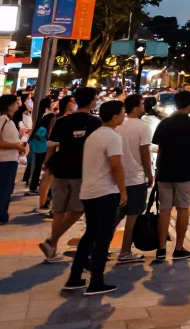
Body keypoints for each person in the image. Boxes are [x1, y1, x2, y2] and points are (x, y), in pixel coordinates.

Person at [62, 100, 127, 295]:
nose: (124, 115)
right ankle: (96, 281)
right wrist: (123, 190)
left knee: (90, 235)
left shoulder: (94, 135)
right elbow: (116, 166)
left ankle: (74, 278)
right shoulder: (113, 137)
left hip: (89, 191)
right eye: (122, 112)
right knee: (103, 237)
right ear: (114, 117)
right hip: (104, 192)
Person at [39, 87, 102, 262]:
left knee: (59, 209)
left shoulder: (62, 121)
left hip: (60, 170)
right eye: (95, 98)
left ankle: (52, 249)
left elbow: (51, 146)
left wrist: (47, 163)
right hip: (81, 171)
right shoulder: (95, 122)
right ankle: (52, 241)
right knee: (78, 209)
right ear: (91, 101)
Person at [151, 90, 190, 262]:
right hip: (184, 172)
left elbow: (159, 149)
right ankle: (179, 248)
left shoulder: (164, 123)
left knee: (164, 211)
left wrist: (157, 171)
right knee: (182, 209)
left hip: (164, 172)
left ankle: (161, 249)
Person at [114, 94, 154, 264]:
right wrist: (150, 174)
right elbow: (145, 154)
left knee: (115, 216)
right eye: (143, 103)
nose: (145, 105)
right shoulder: (142, 127)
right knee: (133, 216)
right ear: (136, 108)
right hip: (135, 178)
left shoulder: (117, 125)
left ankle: (97, 247)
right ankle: (125, 251)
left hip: (117, 179)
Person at [0, 95, 30, 224]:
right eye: (16, 102)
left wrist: (19, 147)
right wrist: (16, 146)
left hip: (11, 159)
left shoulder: (9, 120)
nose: (18, 104)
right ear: (9, 105)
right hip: (4, 160)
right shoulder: (3, 120)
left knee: (7, 189)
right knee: (4, 189)